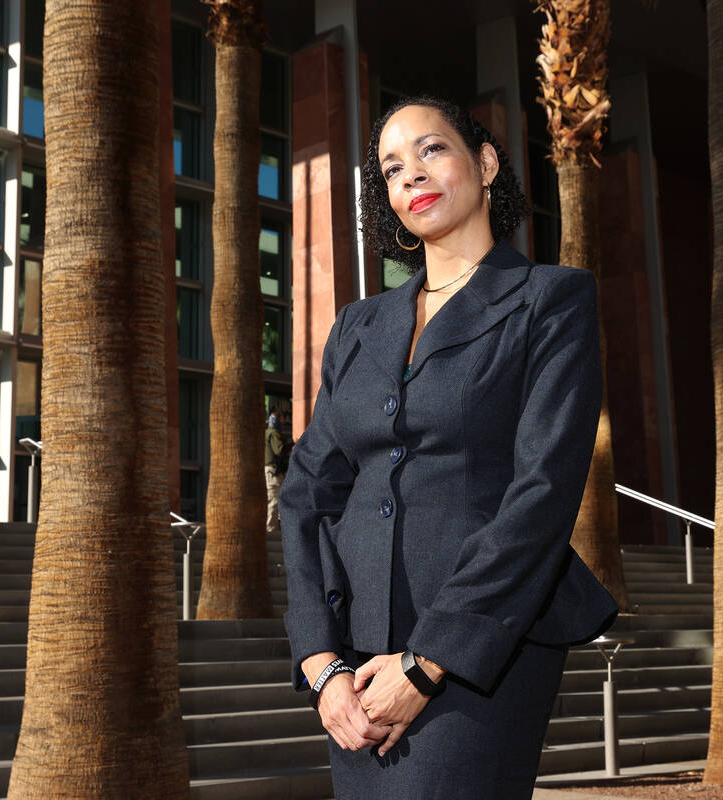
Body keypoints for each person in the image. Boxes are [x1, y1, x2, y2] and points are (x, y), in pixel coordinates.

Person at [279, 95, 618, 799]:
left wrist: (430, 661)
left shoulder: (550, 299)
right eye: (392, 168)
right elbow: (309, 488)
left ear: (485, 162)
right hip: (354, 663)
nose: (412, 176)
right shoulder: (357, 326)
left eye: (432, 150)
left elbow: (544, 490)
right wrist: (319, 659)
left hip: (481, 649)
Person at [265, 404, 291, 536]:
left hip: (273, 471)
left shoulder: (268, 432)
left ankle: (274, 527)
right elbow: (279, 450)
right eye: (281, 418)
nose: (283, 421)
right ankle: (271, 529)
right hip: (273, 471)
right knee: (275, 500)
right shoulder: (273, 433)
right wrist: (291, 444)